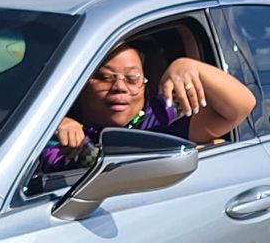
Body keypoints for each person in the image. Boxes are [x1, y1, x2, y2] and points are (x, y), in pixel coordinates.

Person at [41, 42, 256, 172]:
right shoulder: (49, 127)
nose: (119, 87)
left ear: (145, 86)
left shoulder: (156, 122)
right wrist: (53, 124)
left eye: (132, 78)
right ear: (80, 85)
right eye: (104, 77)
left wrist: (187, 66)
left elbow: (241, 106)